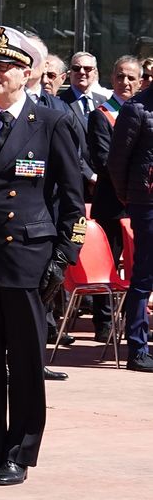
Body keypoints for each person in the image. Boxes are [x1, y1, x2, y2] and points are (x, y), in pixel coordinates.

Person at [0, 26, 83, 486]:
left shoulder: (51, 123)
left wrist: (63, 258)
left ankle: (19, 454)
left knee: (25, 364)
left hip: (28, 258)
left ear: (27, 74)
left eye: (4, 67)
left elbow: (72, 201)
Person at [86, 56, 141, 344]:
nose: (125, 82)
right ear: (112, 78)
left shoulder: (144, 113)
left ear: (140, 81)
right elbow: (103, 160)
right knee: (106, 265)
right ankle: (104, 322)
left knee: (139, 266)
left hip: (140, 204)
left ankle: (132, 319)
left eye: (131, 77)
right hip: (111, 204)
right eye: (120, 76)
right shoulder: (101, 115)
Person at [107, 68, 153, 372]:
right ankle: (137, 348)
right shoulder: (137, 108)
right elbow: (117, 160)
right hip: (146, 201)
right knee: (144, 275)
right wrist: (130, 196)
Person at [60, 52, 110, 123]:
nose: (82, 72)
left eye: (87, 68)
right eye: (76, 68)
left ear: (95, 73)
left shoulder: (103, 101)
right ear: (70, 72)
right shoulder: (60, 101)